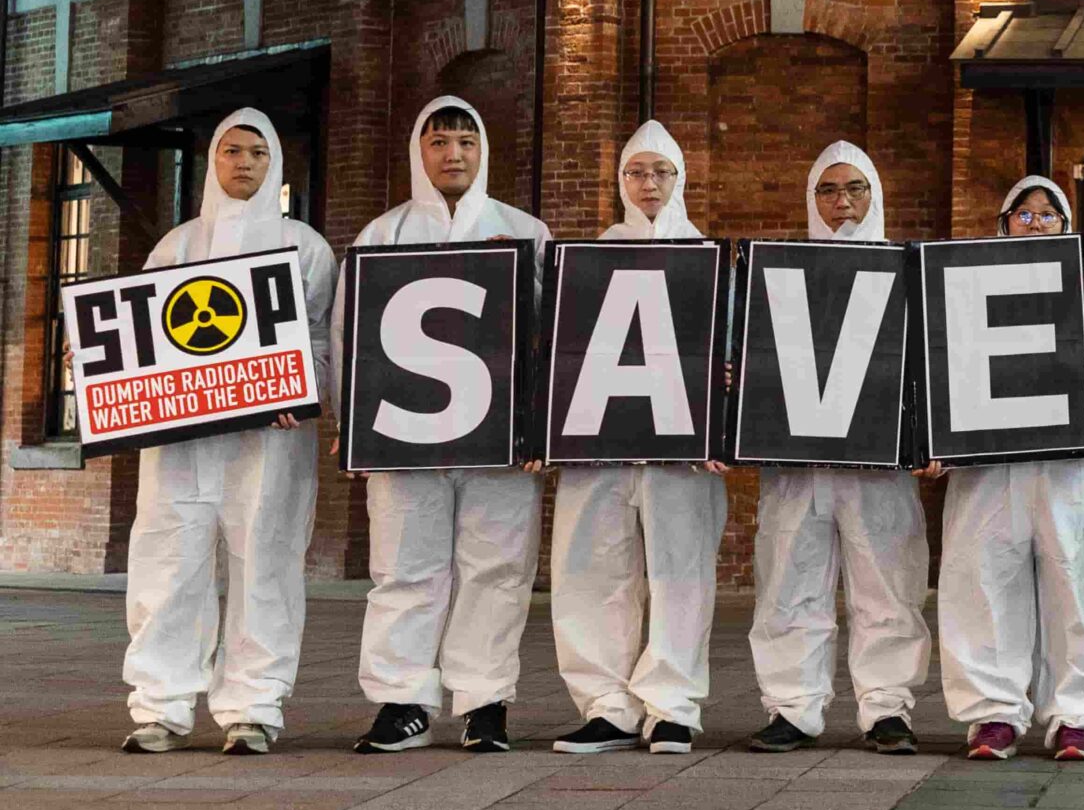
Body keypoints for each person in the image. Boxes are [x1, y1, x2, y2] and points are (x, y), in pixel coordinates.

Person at [120, 109, 338, 755]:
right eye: (232, 151)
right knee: (169, 561)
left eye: (257, 153)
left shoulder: (306, 246)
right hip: (183, 441)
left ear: (275, 164)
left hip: (272, 437)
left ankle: (254, 703)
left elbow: (323, 335)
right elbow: (143, 333)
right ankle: (159, 705)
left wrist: (305, 391)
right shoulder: (177, 245)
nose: (244, 163)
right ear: (214, 160)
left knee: (265, 560)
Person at [344, 97, 554, 755]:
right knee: (404, 565)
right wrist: (354, 422)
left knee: (497, 566)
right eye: (440, 141)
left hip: (501, 442)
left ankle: (484, 702)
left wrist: (539, 425)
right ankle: (401, 699)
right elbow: (352, 336)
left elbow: (550, 336)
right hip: (405, 437)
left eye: (466, 139)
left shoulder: (527, 232)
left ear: (482, 149)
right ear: (420, 150)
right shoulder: (383, 234)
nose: (454, 152)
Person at [936, 175, 1084, 761]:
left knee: (1077, 584)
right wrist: (933, 438)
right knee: (982, 583)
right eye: (1024, 215)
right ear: (1002, 223)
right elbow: (935, 371)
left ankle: (1077, 715)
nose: (1036, 225)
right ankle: (993, 714)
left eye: (1048, 216)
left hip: (1070, 472)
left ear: (1067, 226)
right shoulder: (961, 297)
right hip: (988, 472)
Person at [549, 120, 728, 756]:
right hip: (600, 448)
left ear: (680, 180)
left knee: (681, 572)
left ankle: (673, 704)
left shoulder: (709, 259)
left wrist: (722, 415)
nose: (648, 184)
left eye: (661, 172)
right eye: (636, 173)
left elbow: (732, 354)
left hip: (682, 455)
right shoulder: (591, 257)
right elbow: (560, 350)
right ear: (620, 182)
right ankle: (607, 706)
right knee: (592, 569)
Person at [746, 142, 930, 756]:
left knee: (888, 586)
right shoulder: (774, 275)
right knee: (788, 582)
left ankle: (887, 709)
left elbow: (934, 365)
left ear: (875, 195)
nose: (842, 201)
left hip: (879, 467)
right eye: (827, 190)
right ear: (811, 199)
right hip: (796, 466)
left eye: (854, 187)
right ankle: (792, 708)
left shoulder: (907, 272)